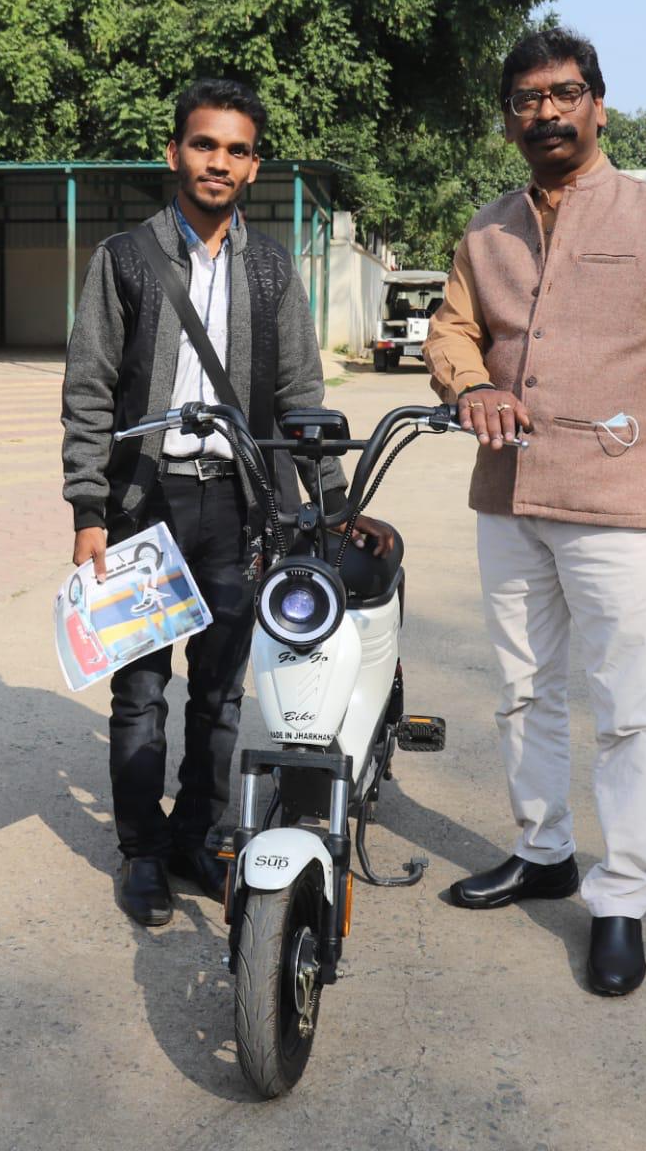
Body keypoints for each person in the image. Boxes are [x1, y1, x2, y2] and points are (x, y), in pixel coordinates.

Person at [423, 29, 646, 995]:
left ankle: (621, 898)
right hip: (508, 496)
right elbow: (452, 327)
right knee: (523, 690)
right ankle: (545, 850)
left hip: (618, 502)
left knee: (624, 709)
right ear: (508, 119)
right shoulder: (484, 231)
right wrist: (468, 382)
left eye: (565, 95)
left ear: (599, 105)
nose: (548, 113)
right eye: (527, 99)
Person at [62, 78, 390, 927]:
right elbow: (90, 389)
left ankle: (198, 838)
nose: (219, 161)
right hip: (144, 504)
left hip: (240, 508)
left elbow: (299, 393)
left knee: (219, 693)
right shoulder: (124, 260)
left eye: (237, 149)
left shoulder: (274, 266)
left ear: (253, 167)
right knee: (139, 690)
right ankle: (141, 853)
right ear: (175, 153)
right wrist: (88, 508)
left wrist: (326, 503)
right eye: (204, 144)